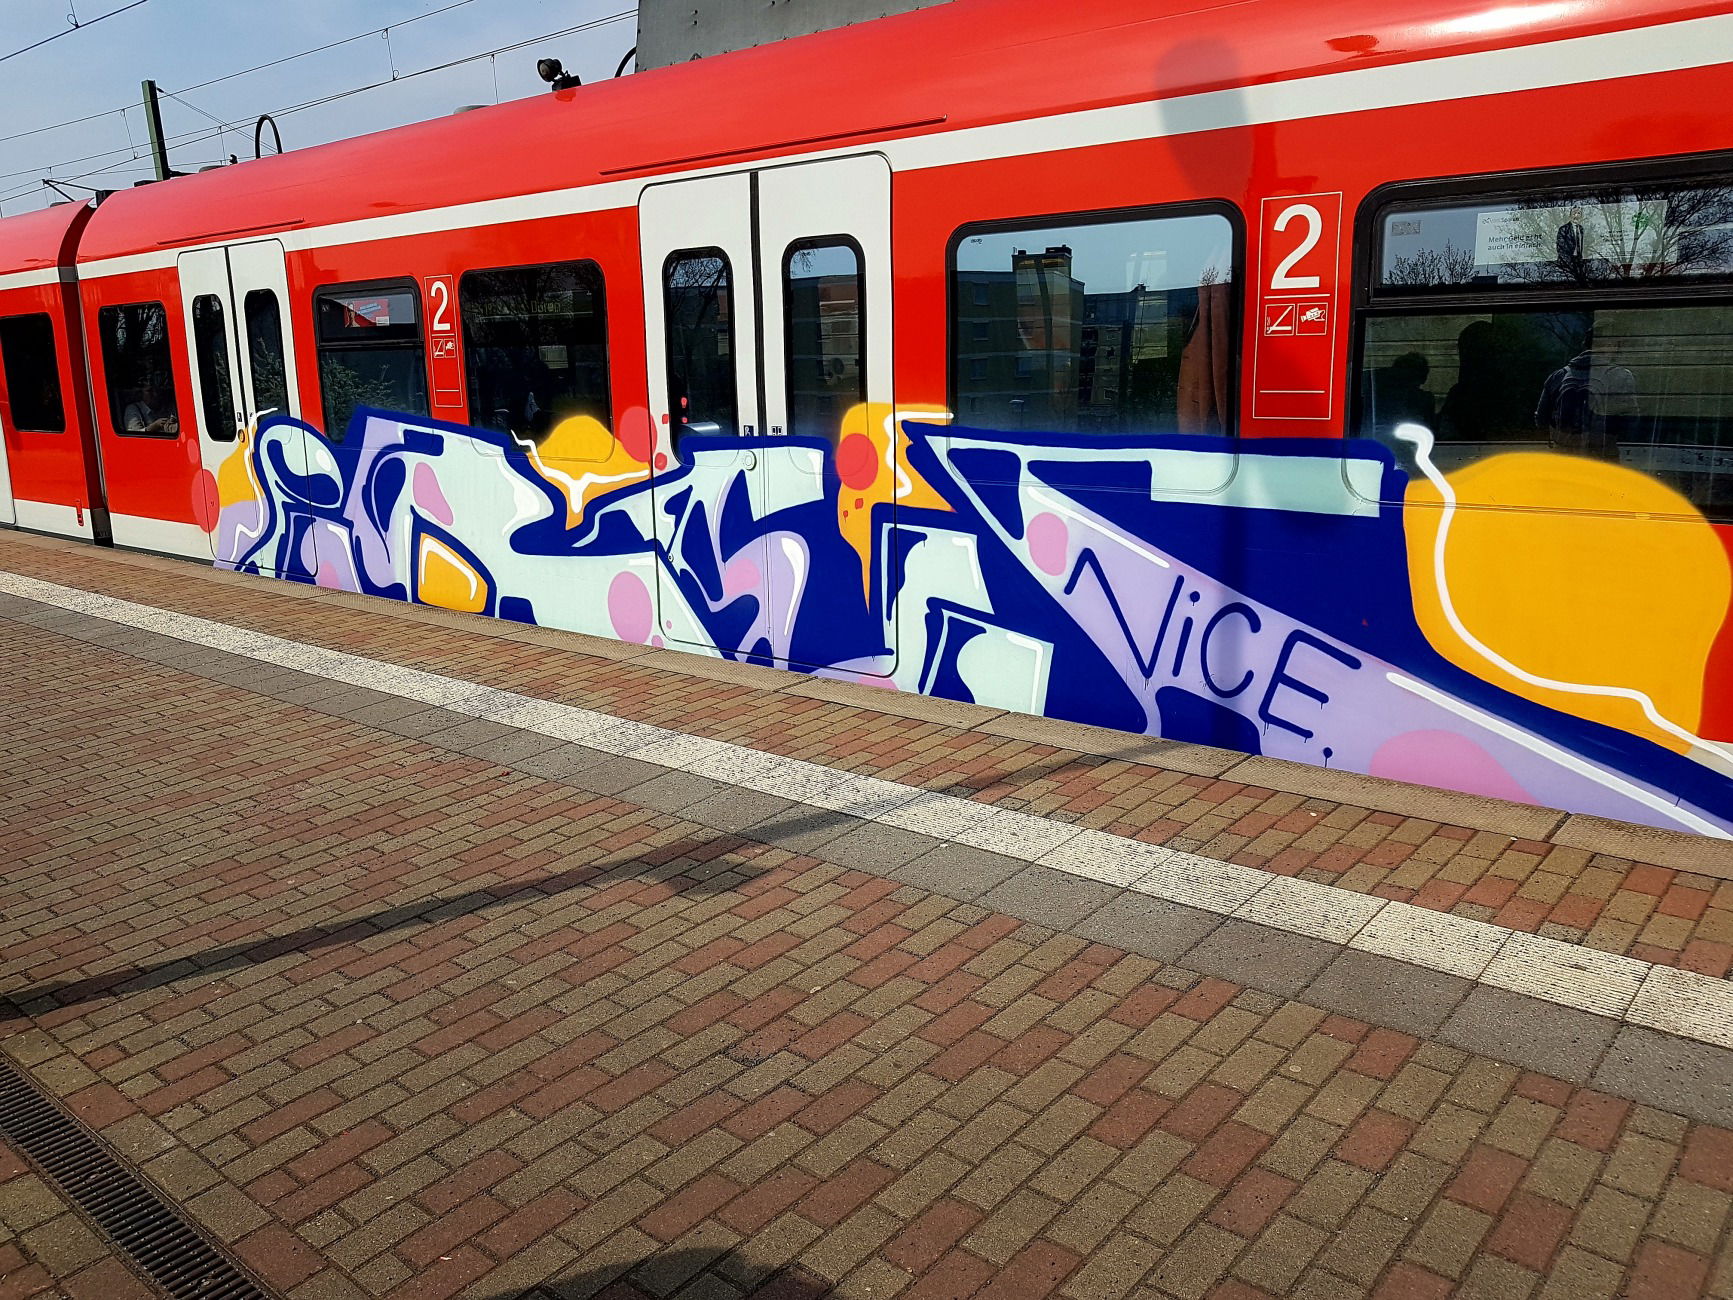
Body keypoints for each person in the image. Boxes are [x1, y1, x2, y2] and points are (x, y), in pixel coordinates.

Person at [1535, 334, 1636, 462]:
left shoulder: (1558, 376)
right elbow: (1632, 423)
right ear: (1610, 345)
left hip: (1564, 456)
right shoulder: (1622, 376)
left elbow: (1541, 420)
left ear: (1586, 344)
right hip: (1603, 457)